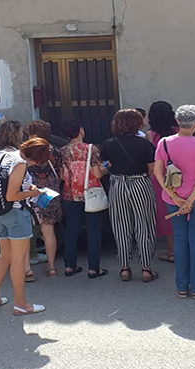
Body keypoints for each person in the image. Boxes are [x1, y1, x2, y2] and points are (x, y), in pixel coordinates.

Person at [153, 105, 195, 299]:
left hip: (173, 198)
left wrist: (175, 197)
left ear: (177, 122)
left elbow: (157, 172)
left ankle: (181, 286)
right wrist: (190, 200)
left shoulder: (164, 143)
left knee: (179, 240)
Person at [0, 123, 45, 316]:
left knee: (4, 256)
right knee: (18, 260)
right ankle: (21, 303)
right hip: (16, 212)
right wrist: (32, 192)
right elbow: (12, 195)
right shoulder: (19, 162)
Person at [101, 109, 159, 283]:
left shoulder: (108, 143)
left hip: (118, 184)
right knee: (144, 224)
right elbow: (151, 169)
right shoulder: (144, 144)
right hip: (139, 183)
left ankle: (125, 267)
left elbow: (107, 164)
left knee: (121, 225)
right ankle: (146, 268)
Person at [59, 118, 107, 279]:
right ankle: (94, 268)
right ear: (81, 131)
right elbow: (97, 173)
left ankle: (69, 265)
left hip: (70, 194)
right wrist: (106, 168)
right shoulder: (91, 149)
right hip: (91, 192)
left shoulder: (62, 151)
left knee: (71, 230)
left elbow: (62, 175)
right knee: (94, 231)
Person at [24, 120, 62, 278]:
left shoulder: (27, 151)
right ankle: (52, 267)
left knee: (26, 231)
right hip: (50, 192)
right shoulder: (55, 151)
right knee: (48, 230)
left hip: (31, 191)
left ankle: (27, 269)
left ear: (34, 135)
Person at [145, 101, 178, 264]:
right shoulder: (178, 131)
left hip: (159, 177)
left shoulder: (151, 135)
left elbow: (149, 159)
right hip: (180, 175)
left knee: (166, 213)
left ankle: (172, 251)